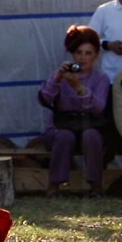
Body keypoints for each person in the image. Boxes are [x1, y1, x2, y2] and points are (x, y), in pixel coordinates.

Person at [39, 25, 109, 198]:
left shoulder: (101, 78)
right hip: (60, 127)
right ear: (72, 54)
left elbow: (99, 107)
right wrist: (57, 79)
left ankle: (96, 187)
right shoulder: (60, 75)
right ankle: (54, 187)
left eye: (88, 53)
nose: (83, 58)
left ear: (96, 55)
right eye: (79, 52)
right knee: (64, 136)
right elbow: (45, 100)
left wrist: (79, 88)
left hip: (88, 126)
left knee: (92, 135)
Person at [88, 0, 122, 135]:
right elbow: (88, 39)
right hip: (110, 80)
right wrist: (108, 45)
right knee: (112, 127)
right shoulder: (104, 11)